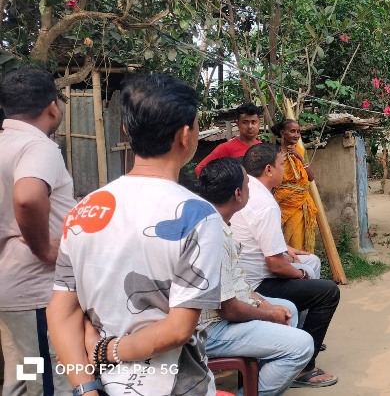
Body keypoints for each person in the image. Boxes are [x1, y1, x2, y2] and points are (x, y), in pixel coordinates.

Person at [47, 74, 224, 396]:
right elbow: (178, 329)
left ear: (127, 130)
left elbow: (62, 309)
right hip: (176, 385)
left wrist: (85, 388)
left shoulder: (84, 210)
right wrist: (106, 351)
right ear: (185, 136)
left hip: (101, 385)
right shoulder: (198, 215)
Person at [197, 157, 314, 396]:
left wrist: (266, 304)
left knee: (288, 308)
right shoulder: (212, 234)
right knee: (302, 345)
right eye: (249, 186)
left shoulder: (216, 220)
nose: (253, 190)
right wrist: (269, 314)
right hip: (211, 329)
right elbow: (229, 310)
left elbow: (237, 281)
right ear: (238, 194)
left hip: (225, 311)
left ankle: (252, 382)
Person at [231, 143, 339, 388]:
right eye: (281, 165)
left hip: (242, 274)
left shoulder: (245, 190)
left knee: (310, 260)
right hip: (256, 283)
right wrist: (301, 274)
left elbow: (257, 239)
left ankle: (301, 335)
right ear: (269, 170)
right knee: (327, 291)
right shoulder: (264, 202)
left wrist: (287, 251)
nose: (284, 170)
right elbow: (276, 266)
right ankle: (304, 366)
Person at [0, 68, 72, 395]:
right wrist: (44, 249)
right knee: (45, 381)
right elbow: (28, 198)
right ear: (52, 107)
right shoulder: (37, 146)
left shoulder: (5, 144)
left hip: (13, 288)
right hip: (35, 293)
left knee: (21, 377)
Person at [271, 119, 318, 253]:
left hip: (301, 203)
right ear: (282, 133)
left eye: (298, 132)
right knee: (283, 240)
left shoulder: (300, 151)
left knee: (299, 239)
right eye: (292, 131)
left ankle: (301, 267)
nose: (296, 135)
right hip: (284, 203)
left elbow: (311, 177)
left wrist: (300, 159)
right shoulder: (276, 155)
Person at [194, 102, 263, 176]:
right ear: (238, 124)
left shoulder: (262, 147)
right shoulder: (226, 148)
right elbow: (200, 169)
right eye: (245, 122)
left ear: (259, 123)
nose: (250, 126)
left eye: (253, 122)